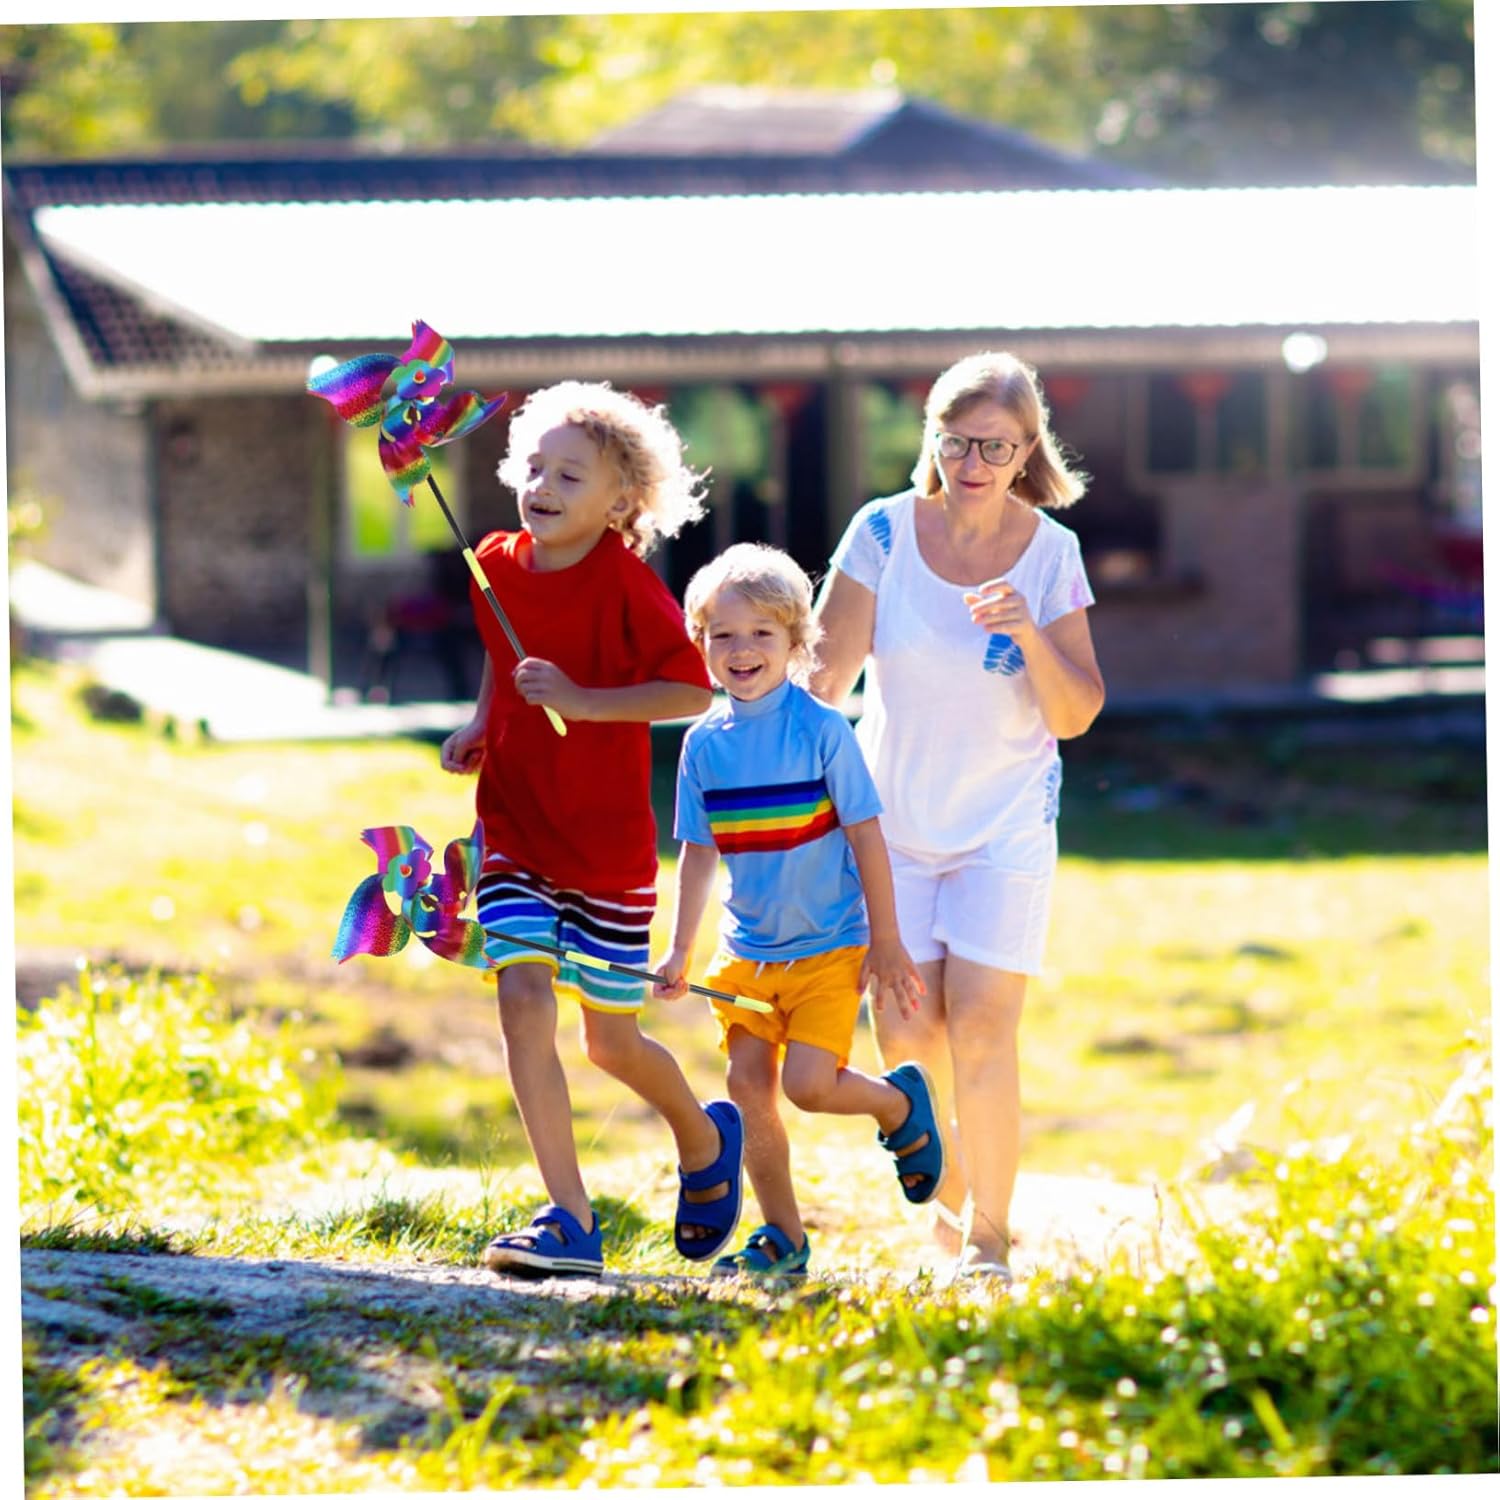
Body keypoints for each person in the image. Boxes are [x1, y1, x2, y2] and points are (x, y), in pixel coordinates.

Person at [811, 351, 1105, 1284]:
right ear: (931, 438)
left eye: (996, 446)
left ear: (1027, 451)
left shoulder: (1052, 553)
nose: (973, 462)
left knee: (980, 1024)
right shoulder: (881, 533)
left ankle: (989, 1237)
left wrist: (1026, 632)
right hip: (889, 827)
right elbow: (823, 682)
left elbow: (1076, 713)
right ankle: (948, 1208)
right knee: (906, 1037)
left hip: (1004, 824)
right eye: (956, 441)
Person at [440, 381, 744, 1278]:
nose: (544, 486)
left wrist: (580, 701)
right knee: (522, 998)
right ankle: (569, 1218)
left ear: (620, 501)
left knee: (609, 1041)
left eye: (570, 475)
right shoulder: (493, 563)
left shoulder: (625, 583)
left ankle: (703, 1138)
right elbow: (504, 647)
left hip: (606, 852)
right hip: (516, 830)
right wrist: (483, 721)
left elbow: (688, 689)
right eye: (535, 467)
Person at [654, 542, 945, 1280]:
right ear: (701, 642)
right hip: (746, 954)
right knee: (748, 1088)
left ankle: (895, 1105)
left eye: (762, 633)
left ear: (795, 641)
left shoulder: (821, 729)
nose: (741, 650)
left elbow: (867, 835)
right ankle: (783, 1237)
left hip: (828, 947)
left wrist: (886, 940)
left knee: (809, 1087)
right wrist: (680, 951)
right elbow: (698, 854)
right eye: (723, 634)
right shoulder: (702, 746)